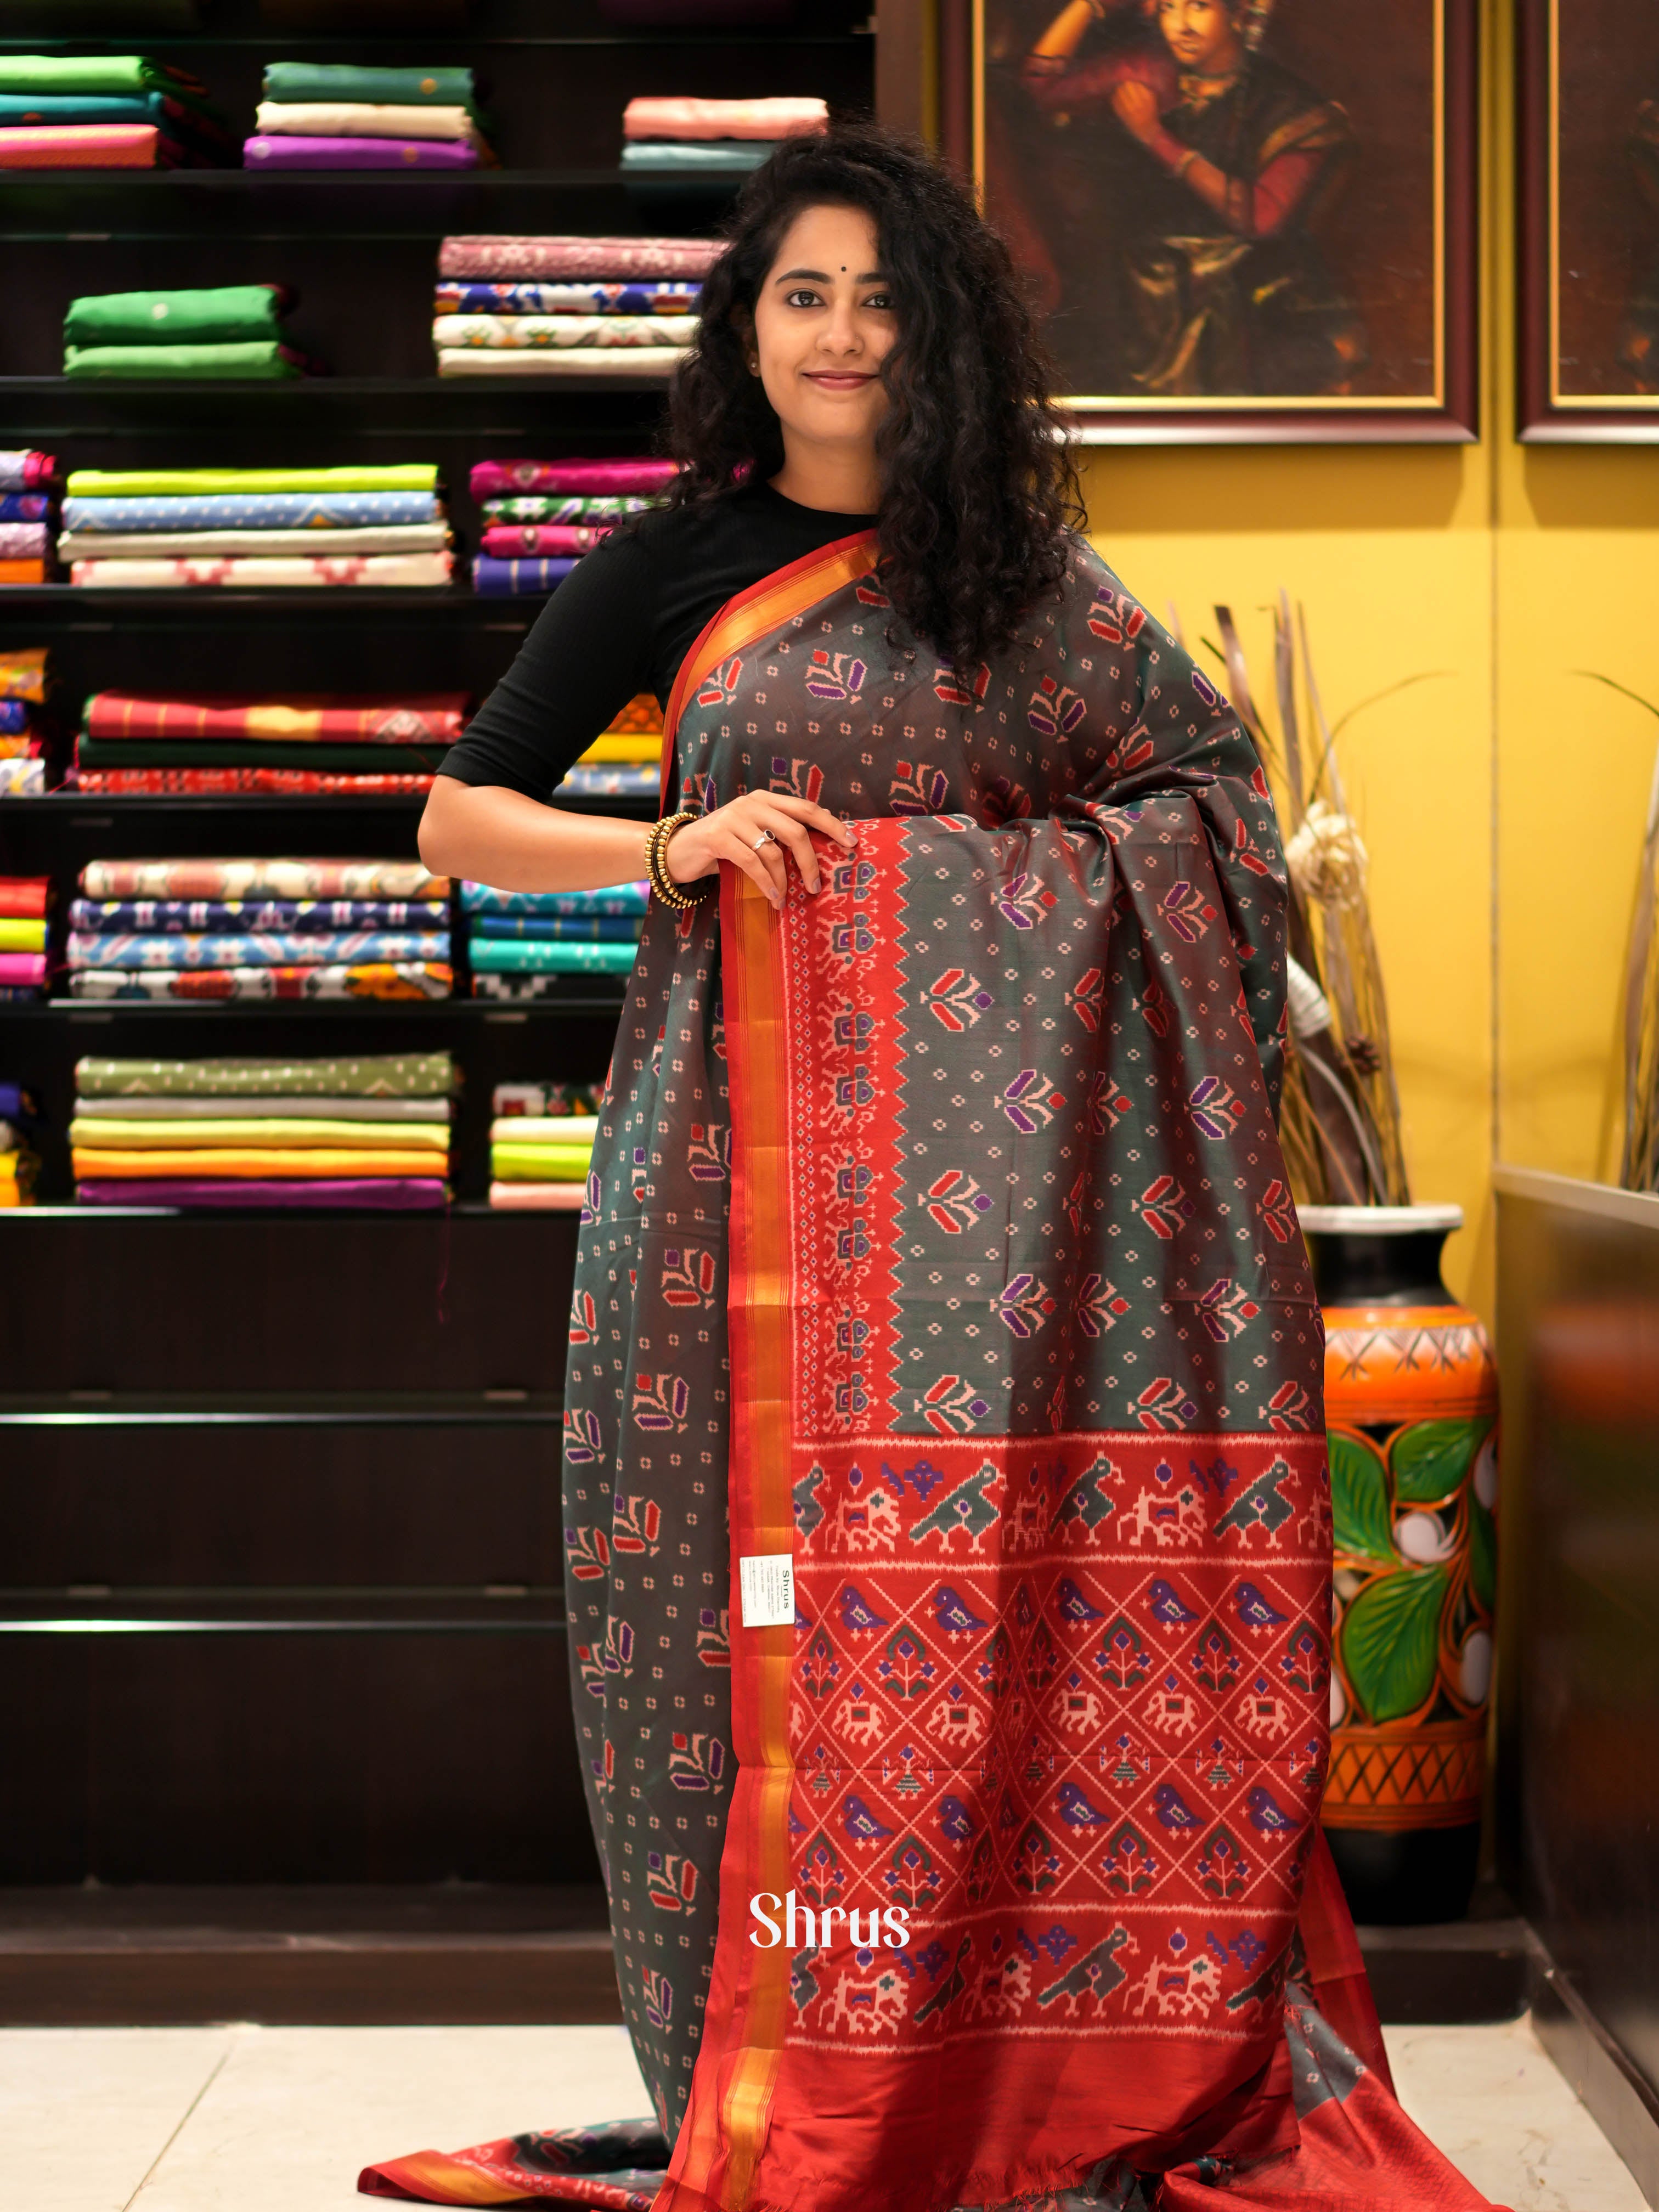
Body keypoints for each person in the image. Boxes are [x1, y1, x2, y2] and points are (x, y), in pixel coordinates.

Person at [362, 121, 1492, 2212]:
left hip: (1041, 1271)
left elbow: (1216, 819)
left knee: (1022, 1620)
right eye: (802, 293)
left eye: (880, 298)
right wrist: (664, 849)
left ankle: (1035, 2074)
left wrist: (942, 888)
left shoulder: (1027, 585)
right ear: (746, 326)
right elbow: (455, 816)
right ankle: (776, 2070)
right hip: (731, 1229)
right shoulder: (676, 560)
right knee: (719, 1632)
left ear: (938, 334)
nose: (841, 333)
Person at [1014, 0, 1364, 395]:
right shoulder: (1147, 70)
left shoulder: (1290, 105)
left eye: (1199, 6)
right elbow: (1038, 86)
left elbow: (1260, 217)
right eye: (1168, 8)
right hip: (1145, 294)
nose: (1181, 26)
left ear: (1239, 14)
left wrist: (1155, 138)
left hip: (1252, 295)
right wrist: (1089, 6)